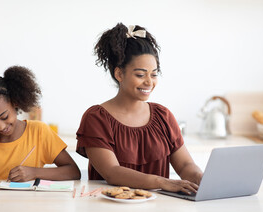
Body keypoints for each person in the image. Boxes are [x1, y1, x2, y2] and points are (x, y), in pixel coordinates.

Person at [76, 23, 203, 195]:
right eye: (140, 75)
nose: (149, 82)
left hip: (157, 210)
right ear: (119, 74)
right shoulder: (96, 118)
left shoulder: (163, 116)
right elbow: (112, 172)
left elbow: (185, 165)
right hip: (108, 210)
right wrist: (162, 182)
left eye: (154, 74)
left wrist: (201, 178)